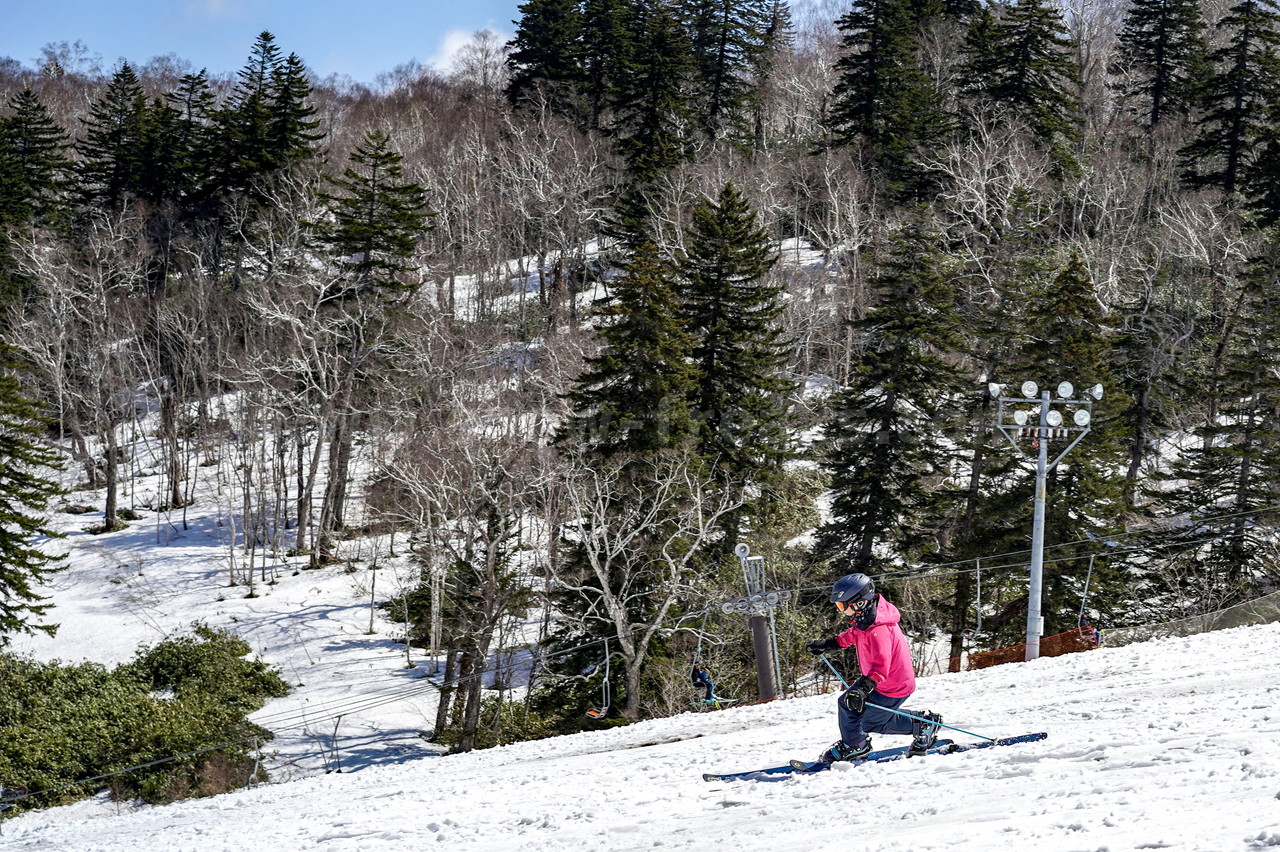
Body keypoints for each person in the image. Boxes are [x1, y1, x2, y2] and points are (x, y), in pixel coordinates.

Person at [805, 573, 942, 765]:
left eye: (843, 606)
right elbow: (853, 636)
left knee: (852, 707)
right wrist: (828, 644)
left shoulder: (878, 629)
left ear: (859, 603)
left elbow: (881, 664)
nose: (841, 611)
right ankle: (922, 724)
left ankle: (855, 746)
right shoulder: (867, 621)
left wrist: (862, 689)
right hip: (884, 682)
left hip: (892, 684)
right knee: (864, 717)